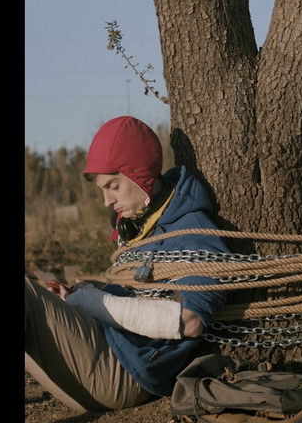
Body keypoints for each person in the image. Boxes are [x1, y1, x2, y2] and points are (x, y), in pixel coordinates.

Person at [23, 116, 228, 412]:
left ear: (139, 174)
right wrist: (76, 300)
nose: (107, 201)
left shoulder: (192, 231)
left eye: (113, 186)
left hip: (127, 374)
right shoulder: (143, 226)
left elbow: (191, 321)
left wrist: (94, 302)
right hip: (106, 357)